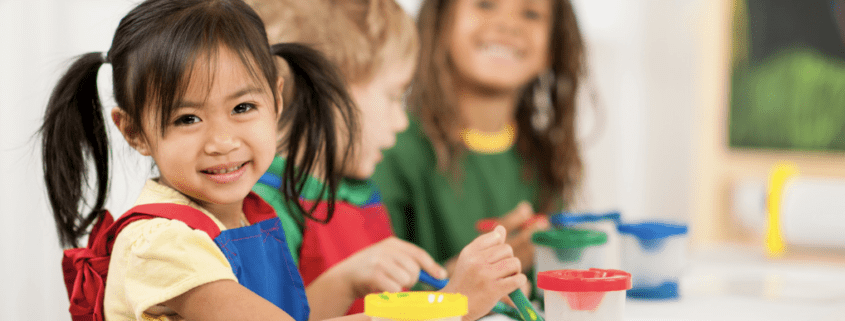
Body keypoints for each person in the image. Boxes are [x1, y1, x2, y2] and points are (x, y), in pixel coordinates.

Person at [40, 0, 365, 320]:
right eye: (187, 119)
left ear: (276, 101)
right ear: (134, 131)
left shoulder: (246, 215)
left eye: (242, 108)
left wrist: (348, 281)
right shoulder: (163, 243)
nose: (222, 142)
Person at [247, 0, 527, 319]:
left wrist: (475, 288)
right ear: (326, 90)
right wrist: (454, 304)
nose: (402, 121)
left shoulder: (360, 193)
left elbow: (393, 302)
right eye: (394, 96)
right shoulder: (262, 208)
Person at [372, 0, 586, 287]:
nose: (508, 24)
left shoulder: (544, 157)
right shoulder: (390, 148)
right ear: (440, 23)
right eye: (485, 4)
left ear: (553, 46)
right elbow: (371, 295)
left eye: (531, 13)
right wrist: (474, 276)